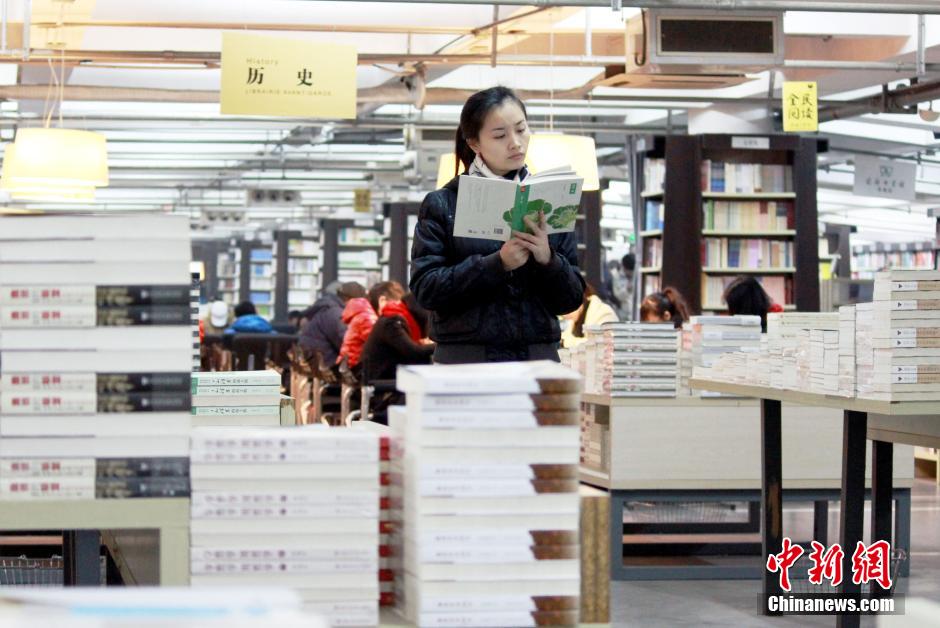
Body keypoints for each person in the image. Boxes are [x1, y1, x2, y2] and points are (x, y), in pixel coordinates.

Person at [410, 86, 585, 364]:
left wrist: (548, 260)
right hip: (468, 360)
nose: (515, 142)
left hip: (537, 358)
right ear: (474, 143)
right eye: (500, 135)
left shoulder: (550, 197)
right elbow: (426, 290)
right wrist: (496, 264)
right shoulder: (443, 204)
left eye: (521, 129)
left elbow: (572, 299)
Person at [361, 293, 435, 421]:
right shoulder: (393, 323)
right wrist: (438, 346)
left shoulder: (392, 318)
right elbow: (413, 352)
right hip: (382, 389)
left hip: (383, 382)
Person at [338, 281, 405, 371]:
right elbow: (386, 345)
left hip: (353, 369)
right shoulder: (368, 318)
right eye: (397, 305)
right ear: (382, 301)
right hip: (359, 371)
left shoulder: (363, 314)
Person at [299, 281, 366, 367]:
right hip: (327, 364)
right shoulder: (335, 313)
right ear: (350, 299)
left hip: (315, 361)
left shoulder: (328, 308)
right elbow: (346, 344)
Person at [560, 282, 620, 348]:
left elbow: (600, 345)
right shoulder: (576, 319)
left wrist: (566, 342)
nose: (564, 316)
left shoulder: (603, 313)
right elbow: (565, 338)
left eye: (566, 309)